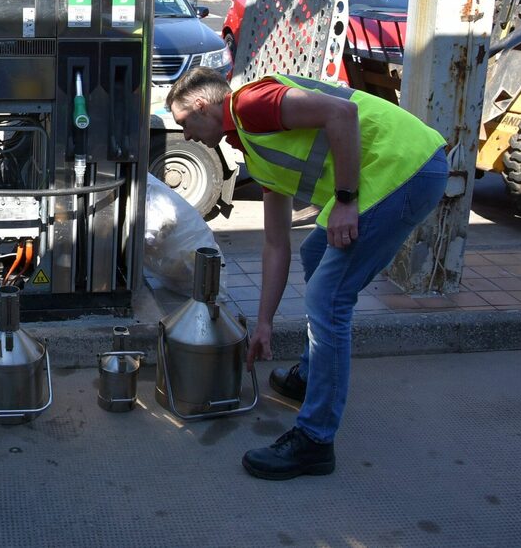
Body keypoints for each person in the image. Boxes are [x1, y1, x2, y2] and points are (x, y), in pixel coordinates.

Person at [166, 67, 447, 480]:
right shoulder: (255, 150)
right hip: (387, 175)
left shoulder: (248, 104)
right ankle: (310, 375)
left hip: (401, 169)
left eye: (183, 123)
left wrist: (347, 201)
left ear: (202, 106)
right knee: (316, 249)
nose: (186, 136)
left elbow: (341, 115)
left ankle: (314, 440)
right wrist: (264, 323)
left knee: (327, 300)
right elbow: (276, 244)